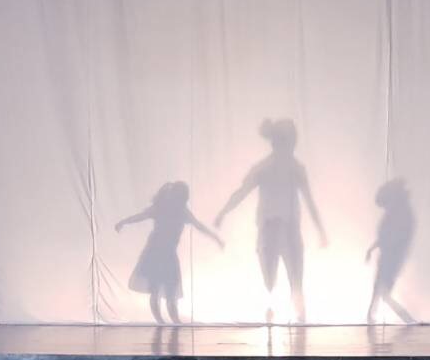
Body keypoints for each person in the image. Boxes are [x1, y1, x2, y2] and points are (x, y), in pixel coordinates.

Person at [214, 117, 327, 324]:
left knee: (278, 280)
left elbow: (242, 192)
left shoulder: (273, 167)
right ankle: (290, 319)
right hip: (278, 229)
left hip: (277, 229)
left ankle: (288, 319)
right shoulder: (285, 167)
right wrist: (223, 212)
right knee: (285, 280)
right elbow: (242, 192)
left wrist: (223, 212)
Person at [116, 181, 223, 324]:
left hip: (166, 254)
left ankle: (174, 320)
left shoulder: (181, 211)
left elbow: (199, 226)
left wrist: (215, 238)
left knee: (169, 290)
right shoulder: (162, 208)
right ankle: (164, 320)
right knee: (157, 289)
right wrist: (123, 221)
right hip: (154, 252)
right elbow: (140, 216)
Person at [365, 179, 415, 324]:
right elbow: (384, 237)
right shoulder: (393, 213)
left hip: (392, 258)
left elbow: (395, 238)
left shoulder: (403, 215)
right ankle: (370, 317)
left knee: (384, 293)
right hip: (387, 256)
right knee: (378, 289)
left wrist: (380, 248)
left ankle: (408, 319)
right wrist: (372, 249)